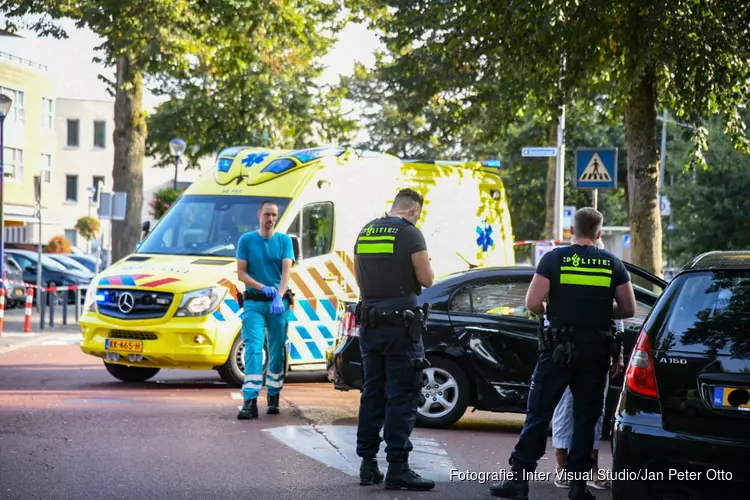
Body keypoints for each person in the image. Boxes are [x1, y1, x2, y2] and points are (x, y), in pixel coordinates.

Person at [489, 207, 635, 500]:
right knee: (585, 418)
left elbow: (532, 303)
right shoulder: (613, 264)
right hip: (595, 352)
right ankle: (578, 487)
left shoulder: (554, 259)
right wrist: (599, 311)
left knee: (539, 413)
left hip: (558, 350)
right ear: (599, 234)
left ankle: (519, 481)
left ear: (572, 231)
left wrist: (551, 309)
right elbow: (629, 309)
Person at [353, 188, 436, 491]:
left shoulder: (366, 231)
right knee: (402, 394)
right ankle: (398, 467)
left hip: (370, 324)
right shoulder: (411, 233)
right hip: (401, 328)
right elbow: (427, 279)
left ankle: (367, 464)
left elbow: (358, 276)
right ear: (414, 210)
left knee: (373, 391)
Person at [552, 239, 626, 491]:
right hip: (569, 351)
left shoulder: (606, 265)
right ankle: (564, 469)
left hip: (594, 351)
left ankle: (586, 471)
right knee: (568, 409)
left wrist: (620, 351)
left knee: (592, 414)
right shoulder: (563, 262)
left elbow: (618, 319)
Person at [235, 200, 295, 420]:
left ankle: (273, 394)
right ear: (259, 215)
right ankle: (249, 401)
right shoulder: (247, 240)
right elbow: (241, 273)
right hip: (254, 302)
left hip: (277, 305)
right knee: (253, 347)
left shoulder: (284, 241)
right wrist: (263, 288)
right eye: (267, 214)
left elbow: (286, 273)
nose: (270, 219)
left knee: (277, 349)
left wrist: (278, 296)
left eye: (274, 216)